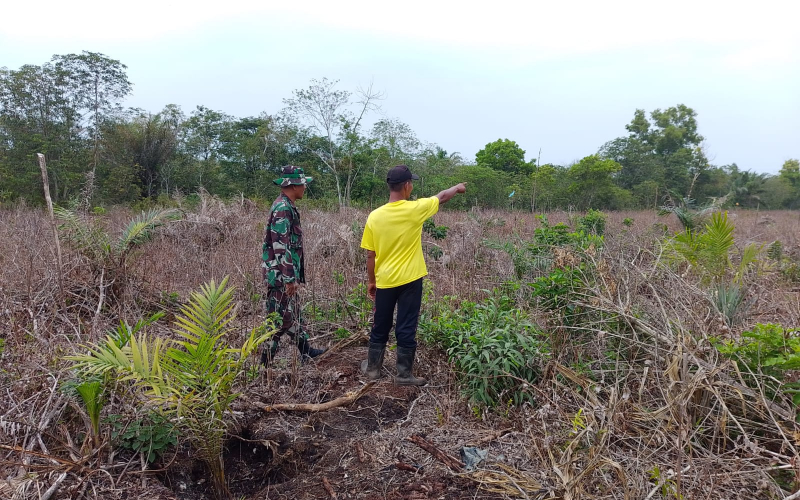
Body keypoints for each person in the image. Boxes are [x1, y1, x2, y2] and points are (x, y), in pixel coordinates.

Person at [360, 165, 466, 385]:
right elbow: (442, 196)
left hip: (385, 280)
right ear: (407, 186)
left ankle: (372, 369)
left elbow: (371, 255)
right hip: (411, 280)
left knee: (380, 324)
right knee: (406, 325)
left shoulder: (374, 216)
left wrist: (372, 281)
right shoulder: (416, 209)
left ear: (390, 186)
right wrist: (457, 187)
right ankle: (404, 374)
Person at [261, 165, 326, 366]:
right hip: (280, 277)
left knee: (293, 314)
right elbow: (281, 247)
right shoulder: (282, 209)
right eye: (303, 184)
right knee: (277, 320)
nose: (305, 187)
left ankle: (306, 351)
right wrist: (289, 278)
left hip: (284, 275)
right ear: (294, 185)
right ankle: (264, 363)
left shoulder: (287, 206)